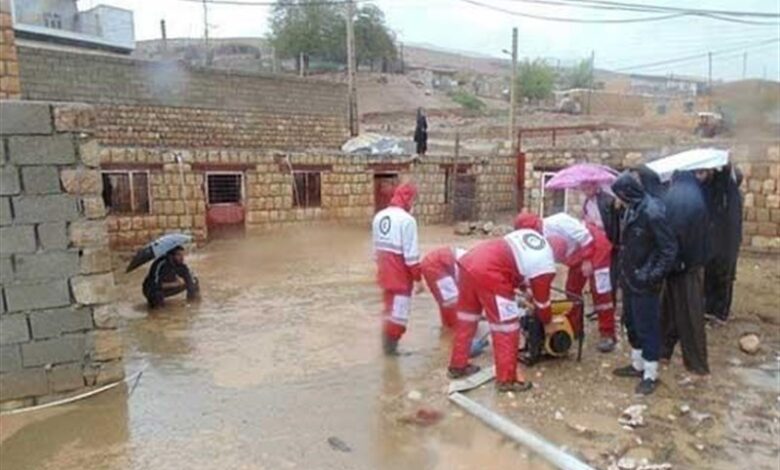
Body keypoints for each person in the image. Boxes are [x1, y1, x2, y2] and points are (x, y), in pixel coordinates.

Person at [448, 228, 556, 393]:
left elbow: (512, 263)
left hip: (469, 263)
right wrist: (548, 322)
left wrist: (526, 291)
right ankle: (507, 379)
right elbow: (543, 302)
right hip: (491, 273)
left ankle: (457, 366)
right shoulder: (546, 263)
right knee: (507, 328)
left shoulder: (529, 237)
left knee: (467, 319)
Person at [611, 168, 677, 396]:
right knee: (632, 322)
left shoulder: (653, 211)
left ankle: (650, 373)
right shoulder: (631, 210)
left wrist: (650, 275)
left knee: (647, 325)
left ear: (627, 192)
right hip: (630, 278)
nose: (616, 200)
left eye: (618, 195)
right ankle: (637, 363)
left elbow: (668, 250)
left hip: (644, 280)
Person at [514, 212, 617, 353]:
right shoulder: (536, 239)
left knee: (601, 293)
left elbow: (585, 237)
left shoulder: (559, 221)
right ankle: (574, 328)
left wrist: (587, 260)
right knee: (572, 290)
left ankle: (608, 334)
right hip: (576, 254)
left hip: (596, 248)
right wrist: (532, 287)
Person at [660, 170, 710, 377]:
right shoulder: (692, 195)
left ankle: (665, 352)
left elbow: (673, 229)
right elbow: (686, 232)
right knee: (688, 312)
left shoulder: (675, 194)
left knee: (671, 310)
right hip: (687, 264)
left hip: (677, 263)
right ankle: (696, 362)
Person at [372, 183, 422, 355]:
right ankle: (391, 353)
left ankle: (386, 349)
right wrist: (418, 279)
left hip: (384, 273)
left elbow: (375, 250)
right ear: (408, 198)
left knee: (388, 309)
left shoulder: (379, 216)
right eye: (413, 200)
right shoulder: (408, 221)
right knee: (399, 315)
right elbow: (411, 256)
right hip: (401, 276)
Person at [703, 165, 743, 322]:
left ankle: (719, 312)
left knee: (722, 276)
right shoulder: (725, 194)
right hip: (722, 244)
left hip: (724, 245)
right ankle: (713, 310)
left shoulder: (728, 195)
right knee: (716, 275)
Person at [420, 246, 467, 329]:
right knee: (451, 300)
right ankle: (454, 329)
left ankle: (447, 328)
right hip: (437, 264)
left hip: (437, 261)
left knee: (446, 301)